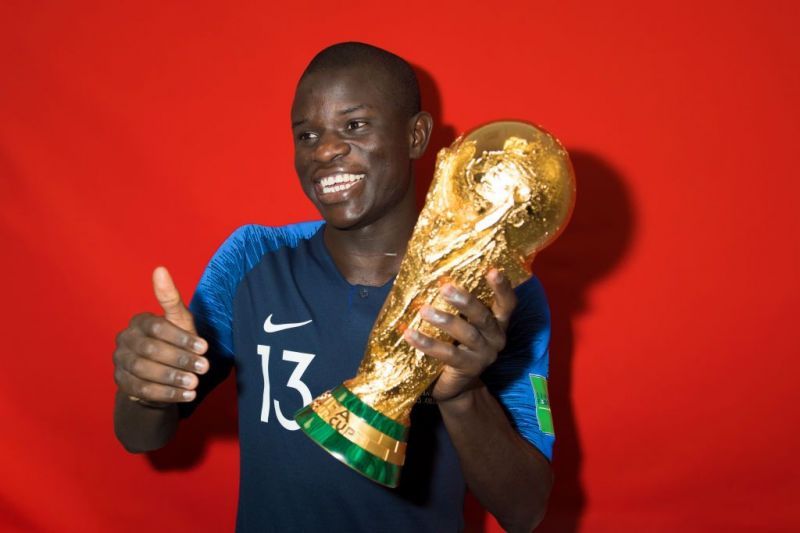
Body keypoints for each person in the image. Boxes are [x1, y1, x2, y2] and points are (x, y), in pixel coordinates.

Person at [113, 42, 554, 532]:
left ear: (416, 135)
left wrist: (463, 393)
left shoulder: (488, 293)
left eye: (354, 126)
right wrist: (144, 388)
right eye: (306, 134)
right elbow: (142, 438)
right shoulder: (252, 259)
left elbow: (525, 510)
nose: (324, 150)